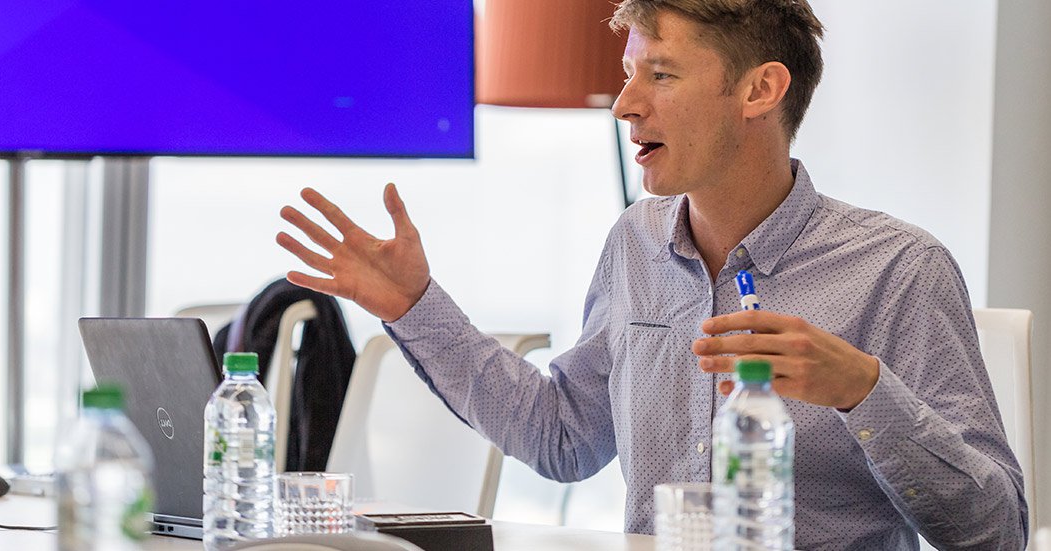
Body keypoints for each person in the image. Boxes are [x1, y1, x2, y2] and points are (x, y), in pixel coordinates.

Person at [276, 0, 1028, 548]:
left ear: (760, 91)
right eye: (629, 74)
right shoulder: (634, 244)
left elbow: (995, 530)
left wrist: (863, 390)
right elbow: (562, 438)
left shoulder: (899, 269)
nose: (625, 105)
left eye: (661, 74)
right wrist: (413, 305)